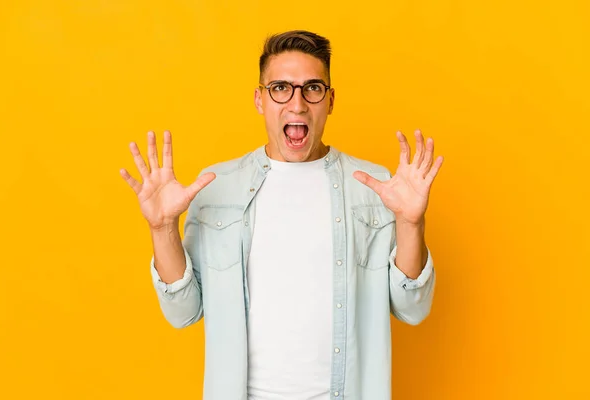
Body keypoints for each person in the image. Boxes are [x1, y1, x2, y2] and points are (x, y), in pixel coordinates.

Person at [120, 30, 443, 400]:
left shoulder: (376, 188)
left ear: (331, 100)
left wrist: (411, 223)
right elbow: (183, 312)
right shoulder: (215, 188)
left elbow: (412, 309)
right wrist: (162, 228)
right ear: (259, 99)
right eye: (280, 88)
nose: (297, 103)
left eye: (312, 88)